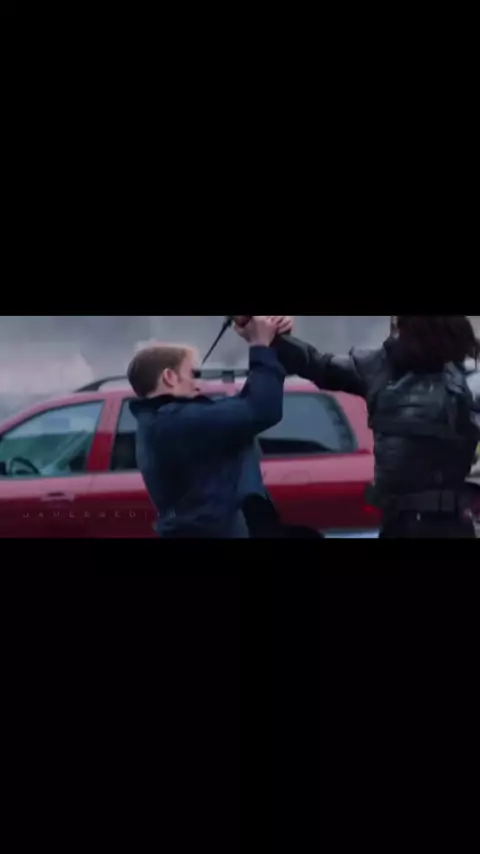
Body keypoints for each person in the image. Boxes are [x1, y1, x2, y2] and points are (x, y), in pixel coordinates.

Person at [273, 315, 480, 538]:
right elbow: (319, 365)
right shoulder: (385, 366)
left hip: (428, 520)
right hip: (418, 521)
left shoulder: (461, 377)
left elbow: (317, 365)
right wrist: (275, 338)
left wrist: (275, 338)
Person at [127, 316, 293, 538]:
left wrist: (268, 342)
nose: (200, 384)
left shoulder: (164, 420)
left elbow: (247, 406)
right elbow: (260, 409)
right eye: (193, 374)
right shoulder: (174, 422)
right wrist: (260, 346)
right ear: (169, 377)